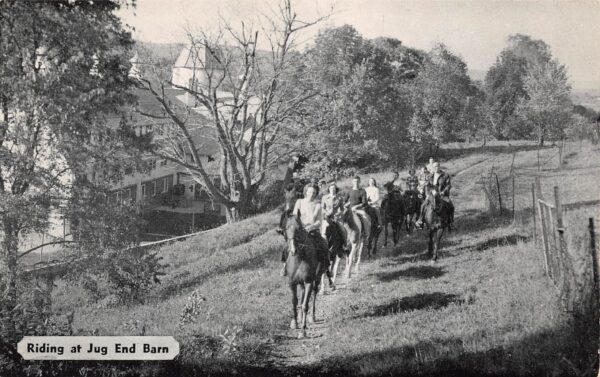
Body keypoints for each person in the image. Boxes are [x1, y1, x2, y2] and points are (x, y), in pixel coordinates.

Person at [281, 183, 330, 277]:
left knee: (323, 245)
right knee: (287, 245)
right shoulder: (299, 202)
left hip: (312, 231)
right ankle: (284, 267)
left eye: (314, 192)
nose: (311, 194)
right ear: (306, 192)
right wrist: (298, 226)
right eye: (310, 191)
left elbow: (319, 222)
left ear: (316, 194)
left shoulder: (318, 205)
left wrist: (310, 227)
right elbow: (295, 217)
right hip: (299, 230)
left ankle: (325, 269)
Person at [416, 162, 454, 229]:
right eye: (434, 167)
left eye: (437, 166)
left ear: (439, 167)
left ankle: (450, 222)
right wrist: (428, 193)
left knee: (450, 205)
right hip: (432, 194)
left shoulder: (445, 175)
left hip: (442, 195)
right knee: (423, 205)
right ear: (432, 168)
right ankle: (420, 220)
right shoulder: (430, 175)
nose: (436, 168)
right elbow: (427, 185)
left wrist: (443, 192)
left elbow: (448, 185)